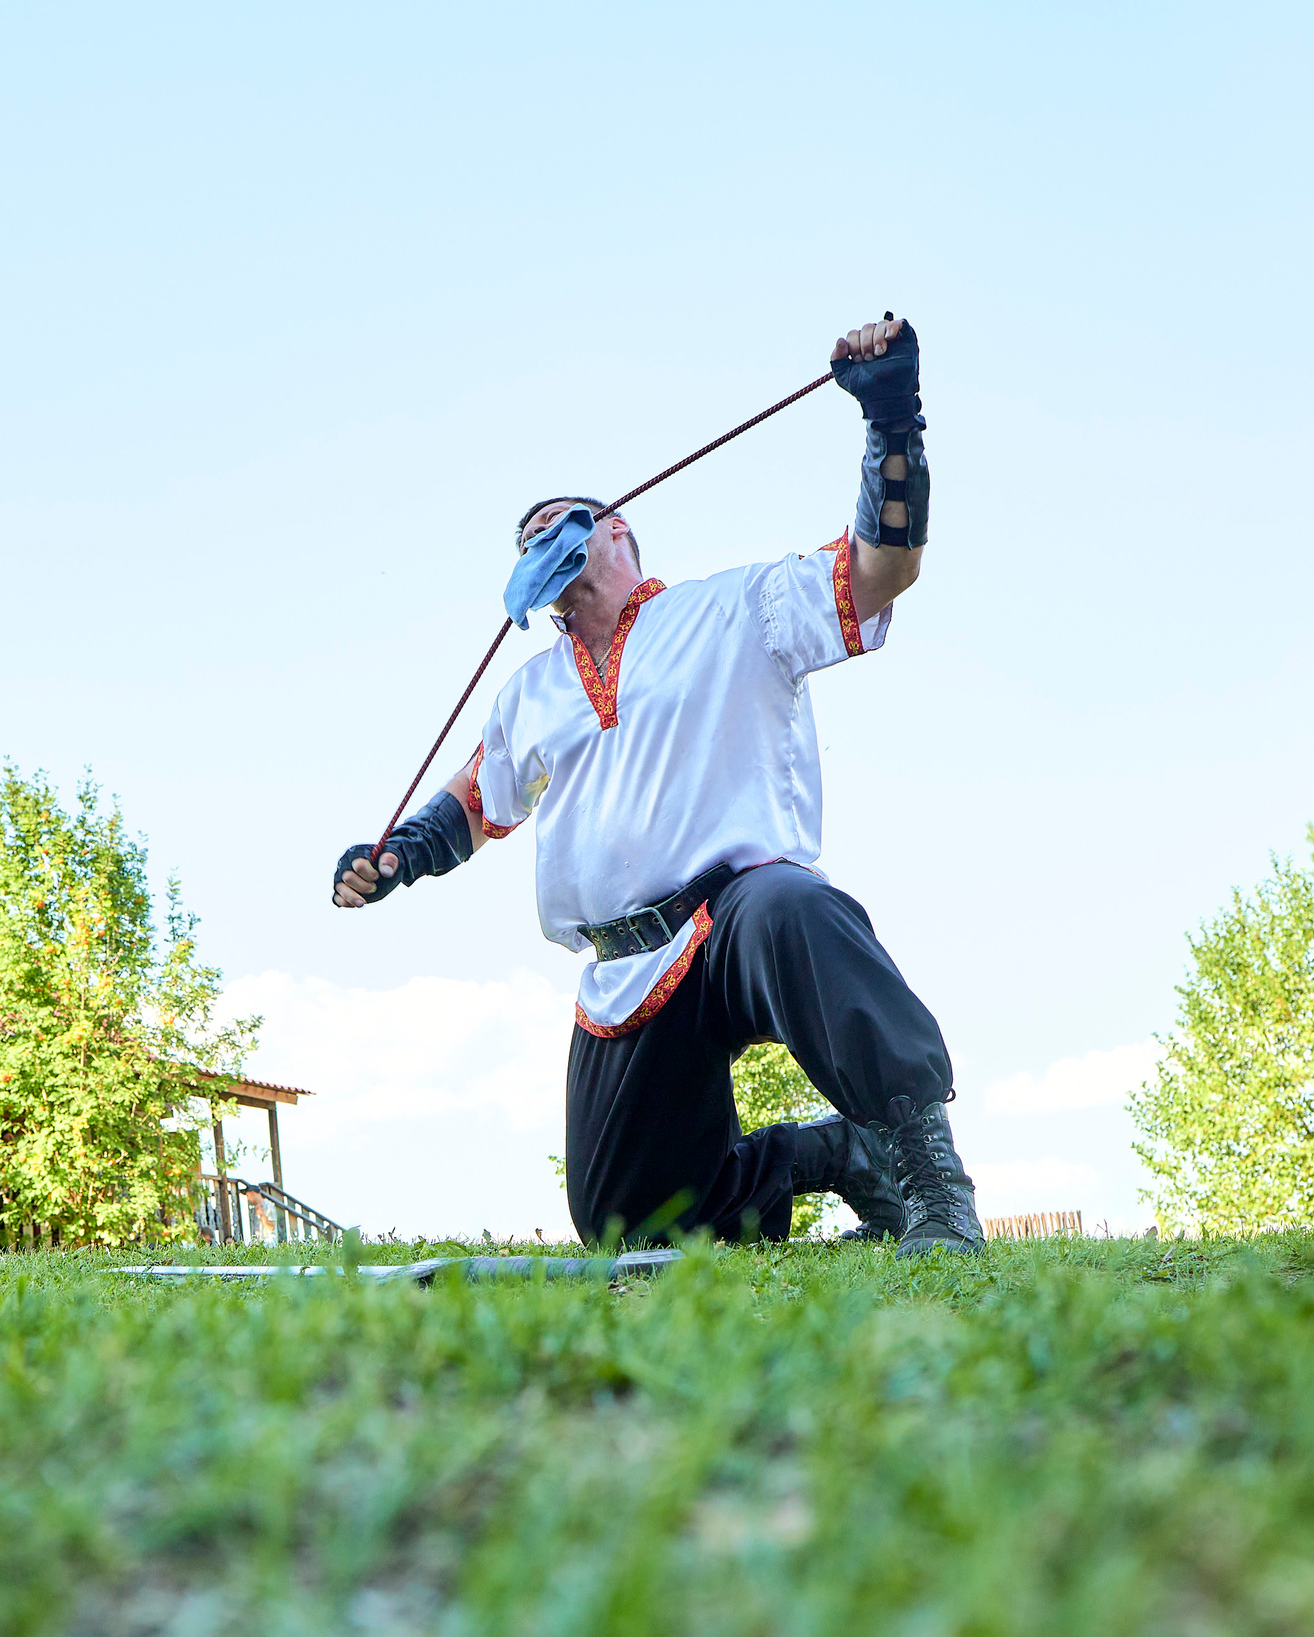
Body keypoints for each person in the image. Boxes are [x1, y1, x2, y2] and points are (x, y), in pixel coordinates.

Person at [331, 315, 985, 1256]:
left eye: (557, 526)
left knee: (801, 909)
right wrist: (397, 857)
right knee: (623, 1225)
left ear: (620, 530)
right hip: (621, 967)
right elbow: (480, 798)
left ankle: (932, 1184)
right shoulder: (534, 689)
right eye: (525, 543)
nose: (539, 544)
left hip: (737, 919)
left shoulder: (731, 609)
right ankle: (834, 1158)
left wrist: (892, 422)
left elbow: (883, 571)